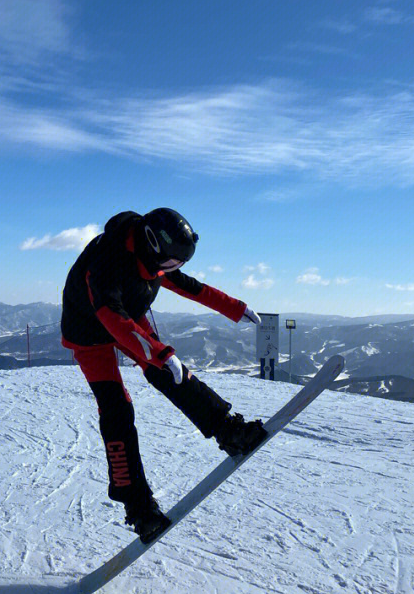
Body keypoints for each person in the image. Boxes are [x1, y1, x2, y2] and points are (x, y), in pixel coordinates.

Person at [61, 208, 267, 543]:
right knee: (116, 409)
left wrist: (234, 307)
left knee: (170, 374)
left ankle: (226, 429)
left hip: (126, 315)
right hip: (90, 331)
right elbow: (111, 317)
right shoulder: (106, 262)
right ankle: (138, 508)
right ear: (153, 246)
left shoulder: (151, 256)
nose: (171, 270)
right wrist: (159, 353)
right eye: (171, 263)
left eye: (177, 264)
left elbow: (188, 286)